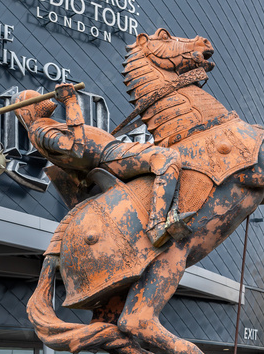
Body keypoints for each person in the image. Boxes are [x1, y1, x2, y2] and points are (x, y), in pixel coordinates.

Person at [16, 84, 192, 248]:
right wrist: (70, 102)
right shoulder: (40, 131)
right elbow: (76, 149)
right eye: (37, 100)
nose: (45, 101)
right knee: (166, 158)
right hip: (110, 156)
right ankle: (157, 225)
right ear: (26, 111)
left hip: (113, 152)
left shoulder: (45, 126)